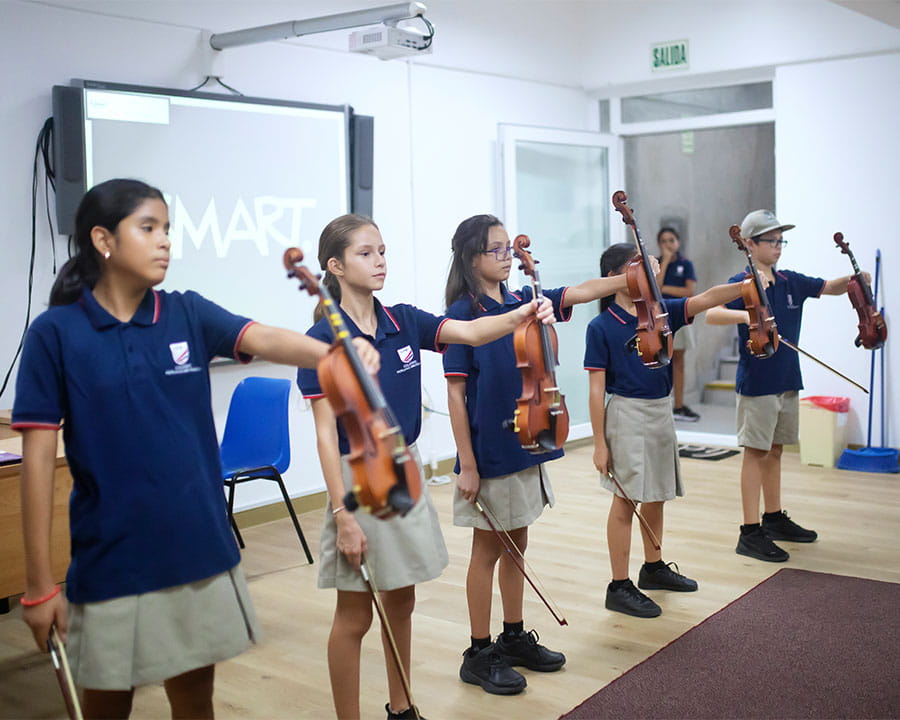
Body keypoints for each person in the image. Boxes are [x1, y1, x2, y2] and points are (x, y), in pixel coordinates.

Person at [11, 179, 380, 719]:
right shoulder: (56, 333)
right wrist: (40, 586)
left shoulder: (185, 311)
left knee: (195, 702)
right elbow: (38, 463)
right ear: (102, 239)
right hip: (114, 556)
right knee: (106, 703)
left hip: (198, 546)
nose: (164, 241)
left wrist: (333, 354)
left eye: (167, 229)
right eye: (148, 228)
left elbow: (263, 337)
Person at [296, 214, 554, 720]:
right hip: (357, 478)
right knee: (354, 615)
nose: (380, 261)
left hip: (405, 469)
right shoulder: (322, 338)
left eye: (383, 251)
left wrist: (524, 313)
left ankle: (402, 707)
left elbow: (474, 331)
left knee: (402, 601)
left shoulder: (403, 320)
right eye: (366, 253)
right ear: (335, 266)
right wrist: (344, 515)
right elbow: (326, 435)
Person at [442, 214, 631, 696]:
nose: (508, 257)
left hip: (529, 435)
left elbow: (581, 292)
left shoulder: (527, 300)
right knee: (488, 549)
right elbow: (456, 396)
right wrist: (466, 461)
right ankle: (479, 652)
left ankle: (512, 634)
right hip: (490, 449)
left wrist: (630, 278)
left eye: (510, 249)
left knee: (518, 541)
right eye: (497, 250)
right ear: (472, 257)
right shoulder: (463, 314)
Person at [586, 242, 745, 618]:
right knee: (627, 499)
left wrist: (743, 286)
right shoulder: (601, 326)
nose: (646, 273)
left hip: (660, 412)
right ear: (613, 278)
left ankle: (653, 567)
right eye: (635, 267)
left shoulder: (661, 312)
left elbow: (705, 298)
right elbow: (595, 390)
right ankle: (619, 585)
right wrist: (598, 443)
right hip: (626, 413)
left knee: (656, 493)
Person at [705, 209, 863, 563]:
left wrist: (856, 279)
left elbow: (829, 287)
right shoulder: (741, 283)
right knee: (755, 452)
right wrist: (750, 315)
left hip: (787, 379)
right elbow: (711, 314)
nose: (778, 247)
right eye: (770, 241)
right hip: (758, 382)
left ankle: (773, 518)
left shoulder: (790, 281)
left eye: (781, 241)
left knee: (775, 451)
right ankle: (749, 532)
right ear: (749, 244)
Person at [657, 227, 699, 422]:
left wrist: (665, 288)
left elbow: (689, 291)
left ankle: (679, 405)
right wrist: (664, 261)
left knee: (678, 362)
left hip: (679, 316)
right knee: (659, 361)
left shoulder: (686, 264)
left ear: (678, 242)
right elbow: (654, 289)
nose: (668, 244)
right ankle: (662, 403)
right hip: (658, 318)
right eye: (664, 241)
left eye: (671, 240)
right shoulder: (656, 263)